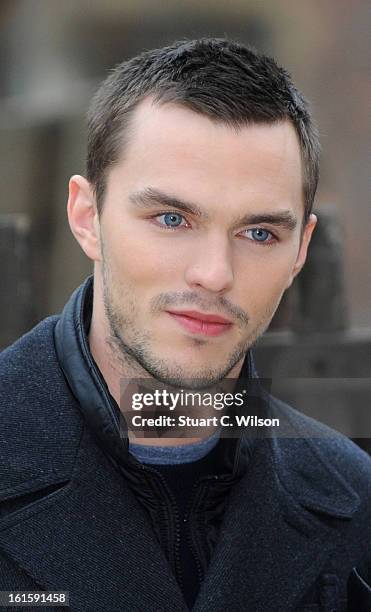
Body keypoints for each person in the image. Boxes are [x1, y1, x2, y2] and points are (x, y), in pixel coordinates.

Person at [0, 38, 370, 612]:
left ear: (301, 250)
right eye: (171, 219)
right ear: (86, 215)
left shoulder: (352, 496)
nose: (214, 274)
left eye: (260, 234)